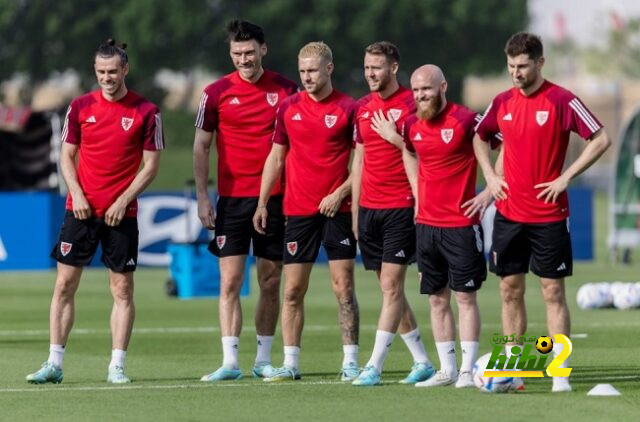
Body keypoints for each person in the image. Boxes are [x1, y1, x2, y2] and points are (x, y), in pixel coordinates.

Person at [474, 32, 611, 392]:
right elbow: (479, 135)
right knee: (509, 291)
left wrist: (566, 177)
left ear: (539, 63)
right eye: (511, 66)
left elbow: (601, 139)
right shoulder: (501, 102)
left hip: (549, 215)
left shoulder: (562, 100)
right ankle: (515, 371)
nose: (516, 73)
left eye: (522, 66)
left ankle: (560, 372)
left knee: (552, 292)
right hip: (508, 214)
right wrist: (490, 177)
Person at [26, 39, 164, 384]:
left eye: (113, 71)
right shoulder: (80, 106)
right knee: (63, 286)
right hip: (80, 211)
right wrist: (77, 194)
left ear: (125, 70)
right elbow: (66, 157)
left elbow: (150, 167)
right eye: (101, 72)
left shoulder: (146, 111)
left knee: (122, 290)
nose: (107, 77)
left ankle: (116, 365)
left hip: (122, 215)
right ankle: (54, 364)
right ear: (95, 71)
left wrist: (122, 200)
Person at [370, 64, 496, 388]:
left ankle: (468, 371)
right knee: (436, 299)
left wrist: (492, 187)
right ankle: (447, 369)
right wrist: (416, 191)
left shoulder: (466, 120)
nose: (420, 95)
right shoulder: (411, 124)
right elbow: (409, 152)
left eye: (426, 89)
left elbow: (506, 141)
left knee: (465, 298)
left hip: (461, 224)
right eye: (415, 90)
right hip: (425, 225)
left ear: (443, 87)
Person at [194, 20, 298, 382]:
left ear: (263, 50)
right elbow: (202, 145)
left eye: (250, 52)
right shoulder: (214, 92)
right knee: (229, 282)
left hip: (275, 199)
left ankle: (263, 359)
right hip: (232, 201)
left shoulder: (286, 89)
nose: (244, 59)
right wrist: (203, 196)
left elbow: (299, 144)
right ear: (230, 54)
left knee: (270, 280)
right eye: (237, 53)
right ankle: (230, 361)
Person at [253, 41, 359, 382]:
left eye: (313, 70)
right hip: (298, 211)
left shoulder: (348, 108)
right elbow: (276, 156)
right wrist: (262, 201)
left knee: (343, 287)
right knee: (292, 290)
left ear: (329, 68)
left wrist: (340, 192)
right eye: (302, 71)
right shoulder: (288, 108)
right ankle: (292, 362)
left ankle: (351, 361)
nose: (307, 77)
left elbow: (362, 163)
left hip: (338, 210)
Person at [350, 42, 435, 387]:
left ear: (394, 67)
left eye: (377, 67)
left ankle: (374, 365)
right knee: (391, 292)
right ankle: (422, 361)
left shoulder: (412, 104)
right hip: (369, 209)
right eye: (367, 67)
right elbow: (358, 160)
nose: (371, 74)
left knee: (390, 287)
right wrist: (355, 211)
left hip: (401, 206)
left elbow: (428, 151)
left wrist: (395, 138)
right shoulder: (361, 108)